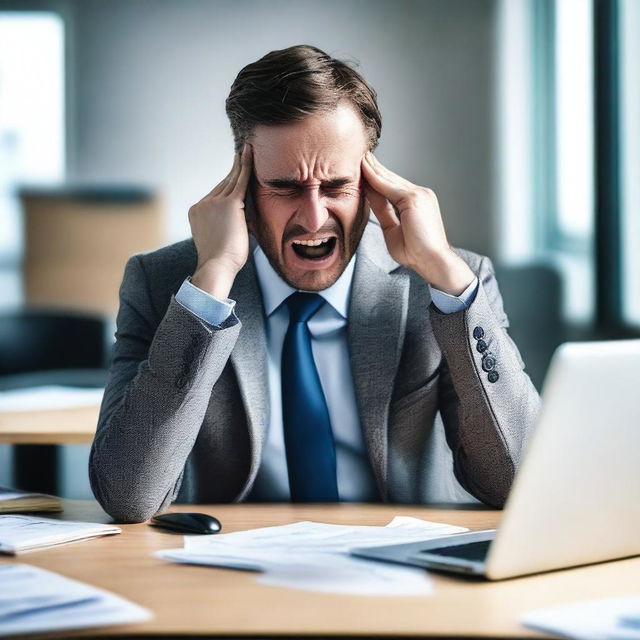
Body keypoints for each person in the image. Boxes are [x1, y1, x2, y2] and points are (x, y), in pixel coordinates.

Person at [89, 45, 540, 523]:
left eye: (335, 186)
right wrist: (213, 278)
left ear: (372, 180)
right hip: (232, 573)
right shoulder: (166, 285)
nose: (313, 216)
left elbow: (519, 483)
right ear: (241, 185)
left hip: (409, 572)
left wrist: (449, 280)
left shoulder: (449, 281)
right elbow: (128, 496)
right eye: (284, 188)